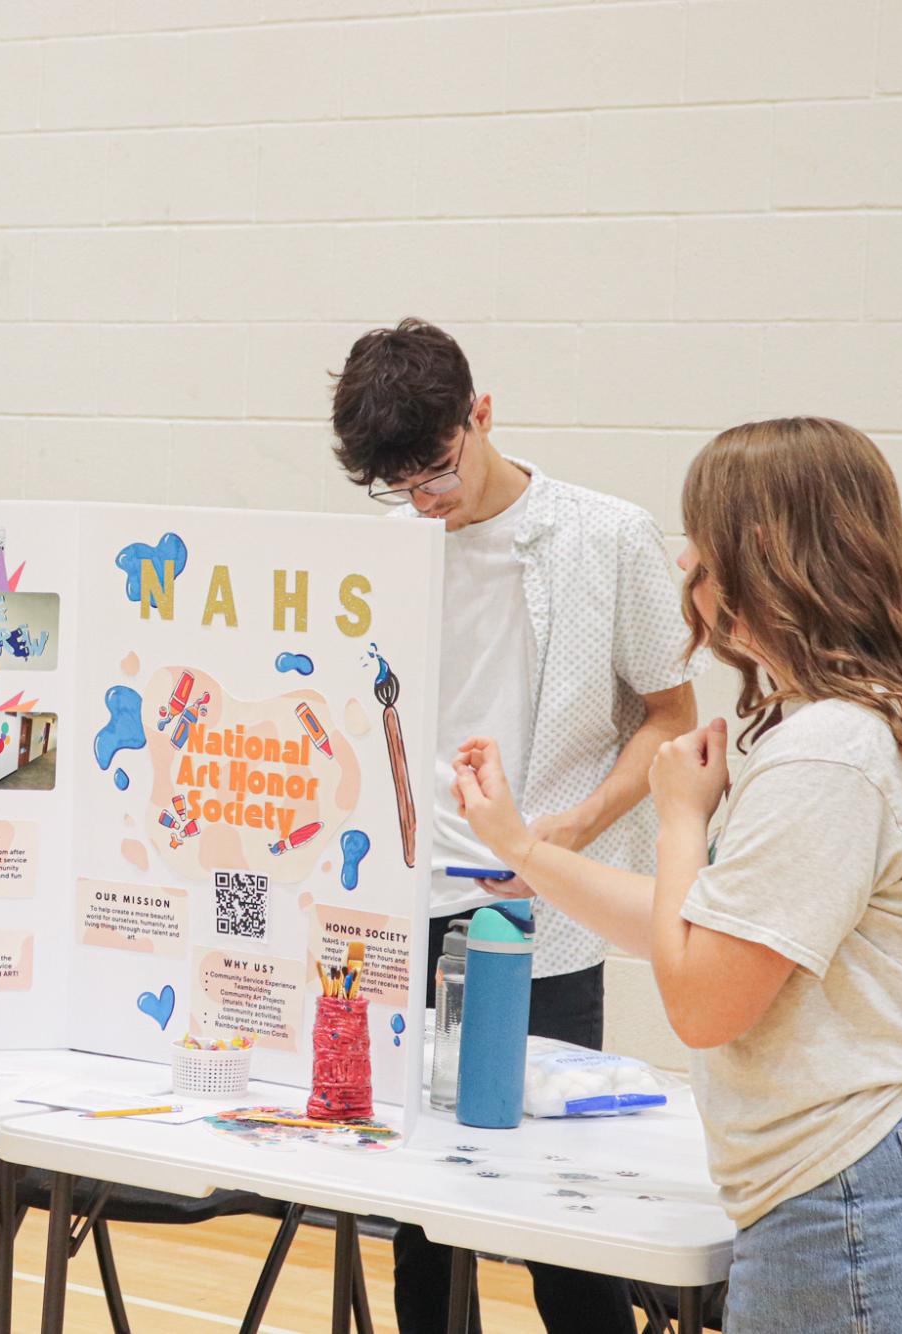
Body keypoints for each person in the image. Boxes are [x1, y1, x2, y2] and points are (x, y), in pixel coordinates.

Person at [453, 417, 902, 1332]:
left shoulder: (830, 750)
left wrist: (679, 819)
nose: (687, 554)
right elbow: (703, 928)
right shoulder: (858, 724)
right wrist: (526, 850)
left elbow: (700, 1000)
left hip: (873, 1188)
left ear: (760, 548)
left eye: (702, 532)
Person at [330, 318, 697, 1333]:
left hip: (543, 916)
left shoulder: (602, 535)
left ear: (480, 415)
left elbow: (673, 715)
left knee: (556, 1226)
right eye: (398, 482)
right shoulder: (384, 549)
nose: (425, 498)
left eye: (437, 469)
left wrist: (566, 834)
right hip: (407, 911)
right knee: (421, 1225)